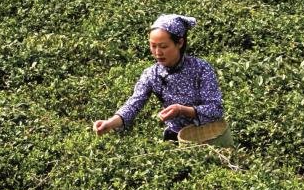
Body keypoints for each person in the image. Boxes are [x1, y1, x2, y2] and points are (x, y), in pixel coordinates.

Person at [92, 14, 224, 141]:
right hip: (176, 136)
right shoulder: (152, 74)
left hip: (210, 134)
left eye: (164, 46)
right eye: (153, 46)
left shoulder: (200, 68)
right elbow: (133, 105)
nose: (157, 52)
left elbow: (215, 110)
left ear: (180, 43)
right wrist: (109, 123)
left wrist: (182, 110)